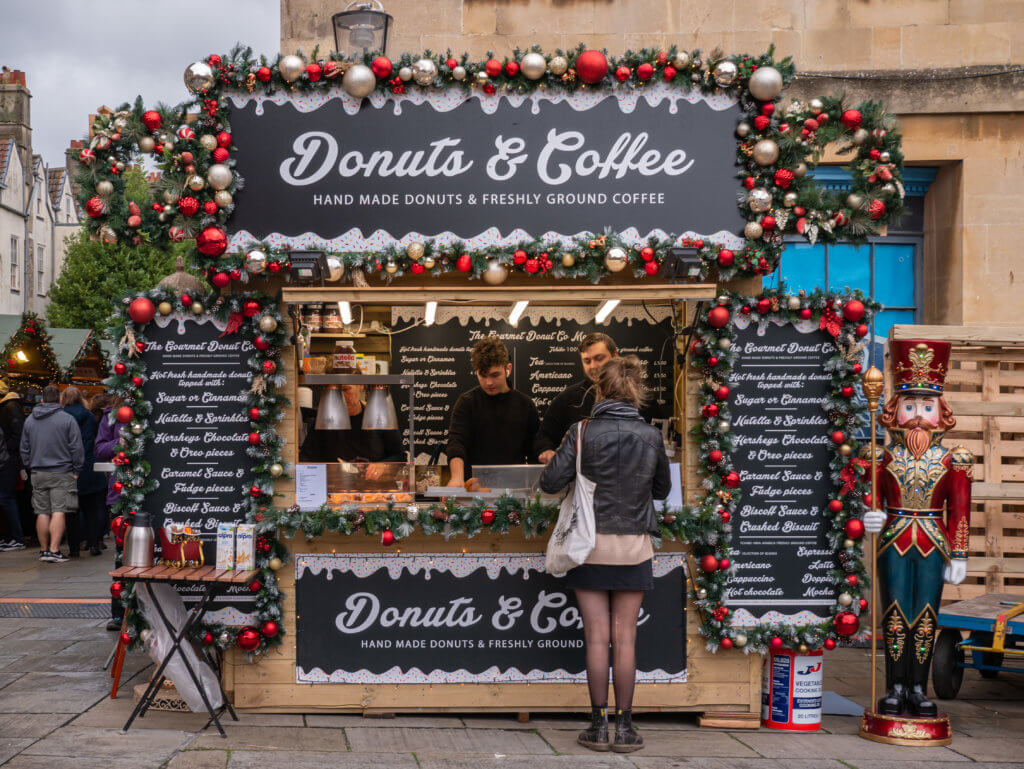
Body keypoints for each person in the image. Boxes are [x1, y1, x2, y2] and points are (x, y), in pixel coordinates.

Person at [539, 356, 670, 754]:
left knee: (597, 637)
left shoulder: (580, 432)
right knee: (625, 638)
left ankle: (597, 728)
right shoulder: (651, 436)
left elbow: (549, 482)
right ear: (636, 392)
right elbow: (662, 490)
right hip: (634, 548)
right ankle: (626, 729)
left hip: (589, 546)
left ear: (600, 389)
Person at [861, 340, 972, 718]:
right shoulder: (881, 455)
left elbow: (959, 510)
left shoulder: (954, 460)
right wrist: (870, 516)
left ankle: (917, 689)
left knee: (926, 615)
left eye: (927, 408)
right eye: (910, 407)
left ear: (941, 414)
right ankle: (894, 686)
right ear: (895, 411)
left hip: (932, 539)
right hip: (893, 537)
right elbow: (871, 499)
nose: (919, 417)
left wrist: (959, 553)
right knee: (894, 612)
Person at [536, 333, 663, 463]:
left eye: (599, 358)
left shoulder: (643, 398)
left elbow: (660, 441)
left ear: (615, 356)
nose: (593, 366)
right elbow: (544, 436)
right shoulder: (567, 399)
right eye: (587, 361)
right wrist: (546, 450)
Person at [446, 337, 540, 488]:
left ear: (508, 369)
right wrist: (457, 478)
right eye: (483, 375)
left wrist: (536, 486)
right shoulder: (466, 403)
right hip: (475, 489)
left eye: (495, 375)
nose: (488, 382)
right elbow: (456, 443)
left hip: (514, 490)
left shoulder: (525, 405)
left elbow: (535, 451)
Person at [20, 384, 84, 563]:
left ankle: (43, 550)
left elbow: (24, 448)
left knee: (42, 512)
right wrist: (77, 469)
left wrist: (29, 464)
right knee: (59, 510)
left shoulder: (30, 420)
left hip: (38, 471)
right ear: (60, 400)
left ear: (42, 399)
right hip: (61, 471)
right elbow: (76, 447)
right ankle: (55, 550)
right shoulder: (67, 419)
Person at [300, 384, 404, 473]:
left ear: (360, 386)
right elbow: (307, 457)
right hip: (335, 488)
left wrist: (383, 465)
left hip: (373, 489)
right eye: (336, 392)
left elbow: (400, 455)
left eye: (346, 389)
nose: (341, 396)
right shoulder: (324, 420)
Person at [61, 387, 107, 556]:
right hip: (89, 466)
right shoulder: (89, 417)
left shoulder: (61, 417)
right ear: (81, 398)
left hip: (69, 469)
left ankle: (74, 548)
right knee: (92, 510)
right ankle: (94, 544)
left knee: (72, 511)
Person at [93, 392, 124, 630]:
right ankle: (119, 613)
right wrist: (119, 444)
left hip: (156, 491)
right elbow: (100, 449)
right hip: (121, 493)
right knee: (122, 554)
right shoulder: (112, 417)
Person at [0, 380, 25, 551]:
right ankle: (11, 536)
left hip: (7, 460)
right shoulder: (10, 407)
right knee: (5, 498)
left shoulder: (9, 407)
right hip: (9, 459)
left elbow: (17, 434)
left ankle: (16, 537)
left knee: (6, 498)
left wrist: (7, 448)